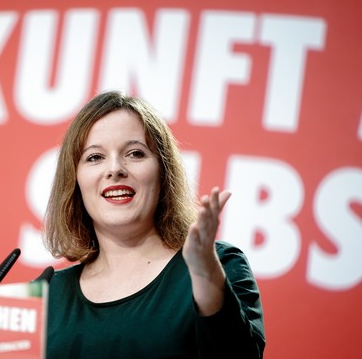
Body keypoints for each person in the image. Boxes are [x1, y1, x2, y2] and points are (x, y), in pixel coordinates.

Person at [43, 90, 265, 358]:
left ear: (163, 172)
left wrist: (207, 281)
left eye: (135, 153)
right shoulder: (48, 296)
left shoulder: (218, 265)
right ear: (75, 181)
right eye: (94, 157)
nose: (115, 169)